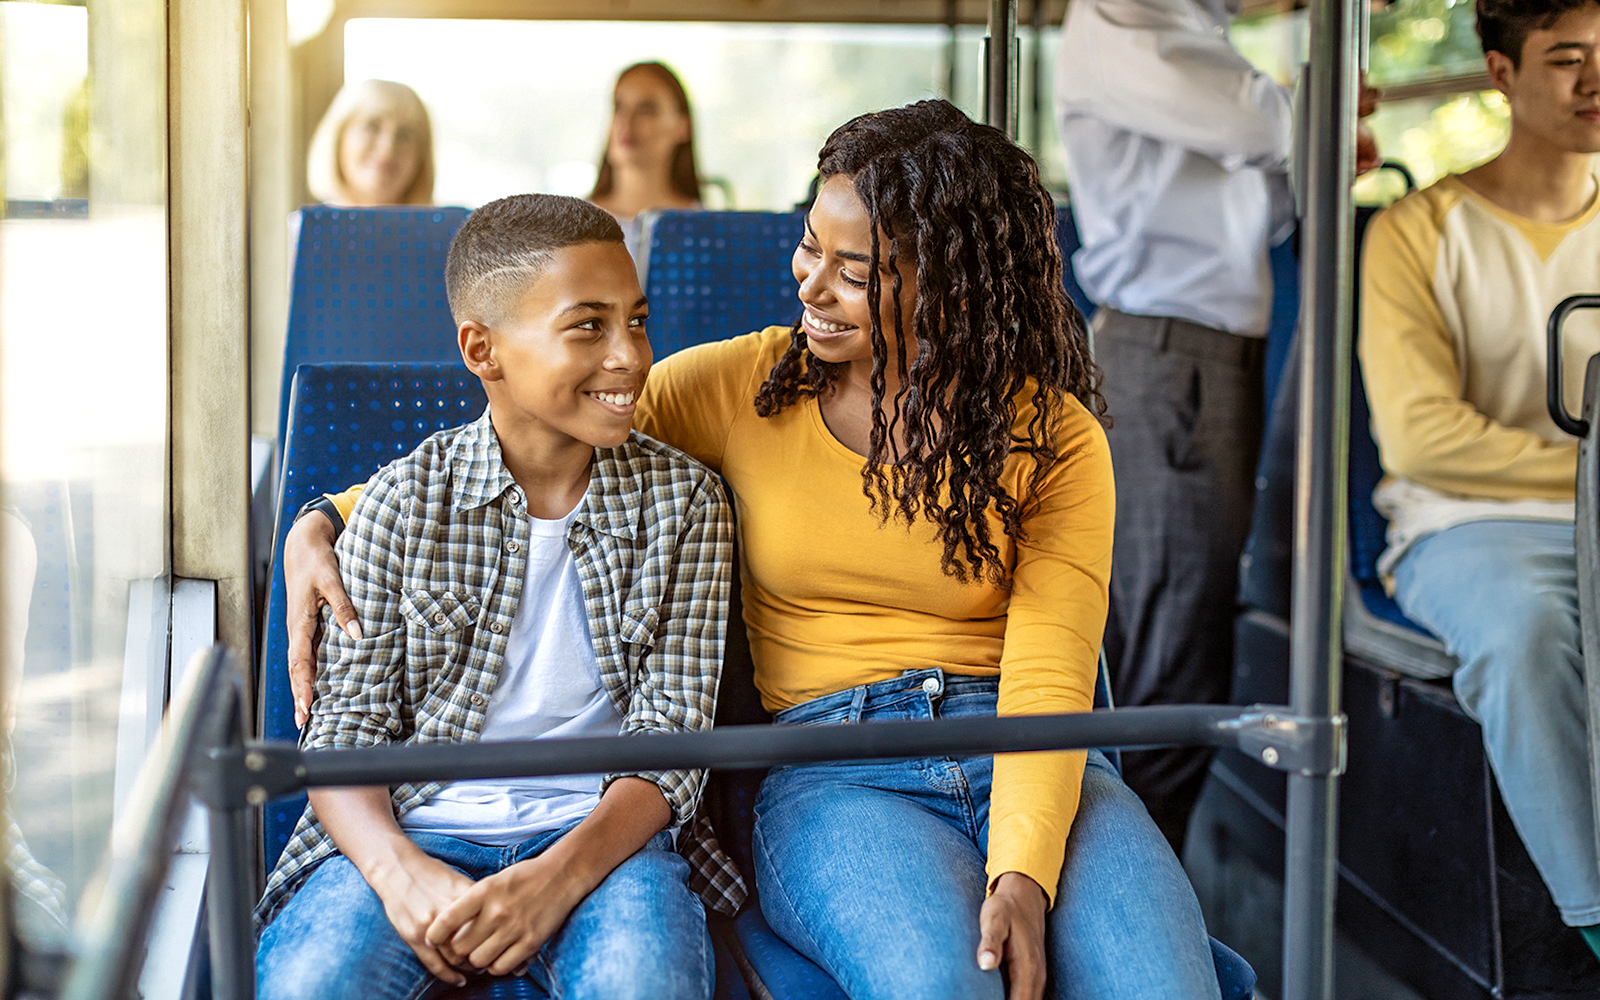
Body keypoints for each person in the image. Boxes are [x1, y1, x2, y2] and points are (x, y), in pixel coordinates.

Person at [285, 101, 1224, 999]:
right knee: (945, 984)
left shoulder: (1054, 436)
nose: (810, 283)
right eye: (811, 245)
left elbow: (1050, 677)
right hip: (834, 761)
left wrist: (1023, 871)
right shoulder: (745, 387)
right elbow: (539, 438)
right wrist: (327, 516)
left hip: (1027, 745)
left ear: (953, 286)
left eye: (854, 271)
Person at [255, 194, 741, 1000]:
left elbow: (671, 742)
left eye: (638, 320)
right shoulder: (403, 503)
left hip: (603, 845)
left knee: (643, 981)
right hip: (417, 825)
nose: (629, 356)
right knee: (314, 983)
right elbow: (346, 735)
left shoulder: (686, 504)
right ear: (484, 349)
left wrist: (555, 880)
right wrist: (401, 874)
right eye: (588, 325)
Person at [1053, 0, 1379, 851]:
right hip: (1170, 362)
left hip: (1201, 359)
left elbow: (1247, 211)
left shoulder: (1204, 33)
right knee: (1167, 661)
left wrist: (1316, 144)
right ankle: (1133, 922)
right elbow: (1245, 117)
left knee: (1179, 643)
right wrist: (1320, 110)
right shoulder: (1122, 15)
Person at [1360, 0, 1600, 958]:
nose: (1594, 83)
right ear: (1501, 73)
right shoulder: (1418, 234)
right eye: (1566, 60)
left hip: (1592, 518)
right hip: (1466, 524)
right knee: (1525, 635)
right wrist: (1586, 478)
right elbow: (1423, 440)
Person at [587, 62, 701, 255]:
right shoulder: (573, 232)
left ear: (683, 127)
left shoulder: (706, 232)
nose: (626, 122)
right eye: (618, 107)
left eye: (646, 110)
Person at [306, 78, 435, 208]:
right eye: (372, 126)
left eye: (404, 134)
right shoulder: (308, 226)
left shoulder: (448, 227)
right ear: (339, 137)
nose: (387, 147)